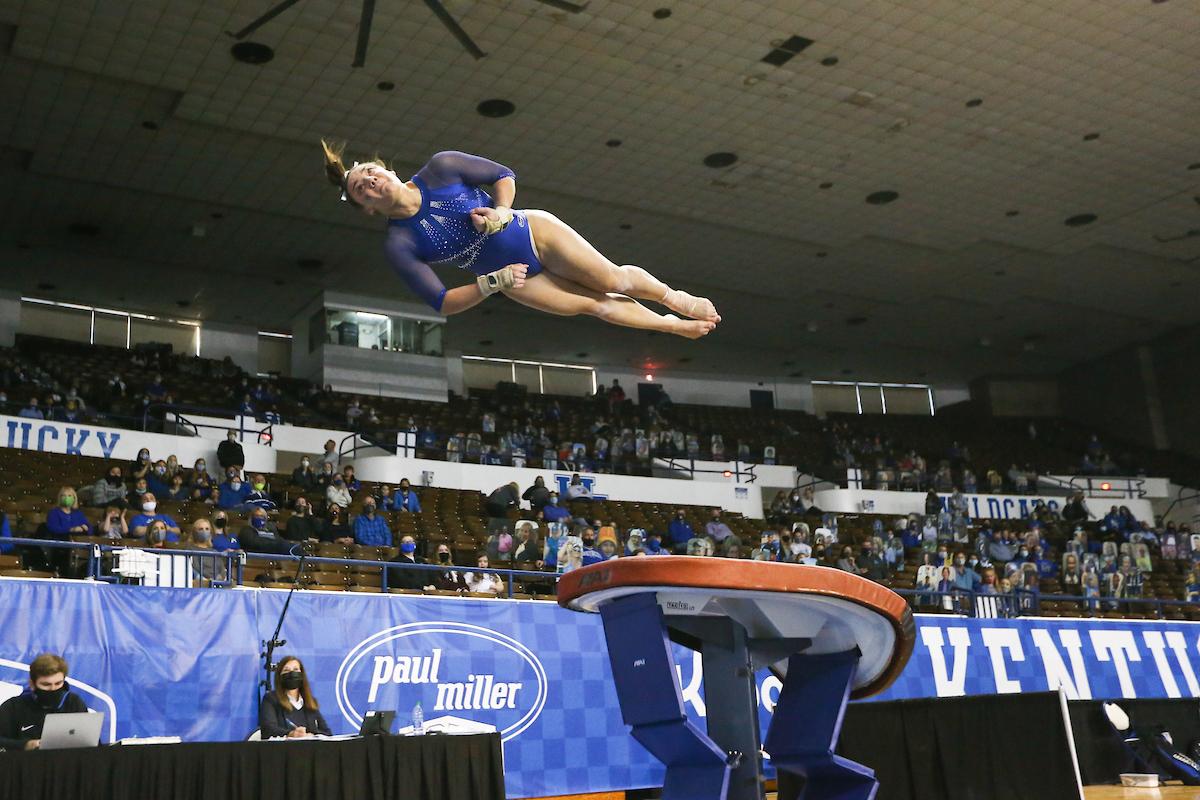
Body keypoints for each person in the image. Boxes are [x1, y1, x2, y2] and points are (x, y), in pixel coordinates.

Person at [322, 144, 719, 338]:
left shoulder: (441, 168)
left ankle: (674, 298)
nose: (371, 181)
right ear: (366, 208)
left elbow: (503, 174)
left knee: (612, 281)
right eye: (361, 188)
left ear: (388, 170)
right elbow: (441, 302)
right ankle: (671, 326)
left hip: (533, 231)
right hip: (512, 278)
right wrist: (492, 283)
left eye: (371, 172)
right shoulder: (399, 244)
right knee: (595, 306)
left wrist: (502, 212)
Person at [0, 653, 89, 751]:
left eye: (58, 683)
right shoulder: (13, 707)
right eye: (46, 684)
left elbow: (92, 742)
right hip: (26, 760)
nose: (53, 689)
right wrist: (26, 745)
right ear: (32, 684)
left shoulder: (73, 702)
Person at [258, 657, 331, 739]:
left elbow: (327, 733)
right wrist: (291, 734)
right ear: (279, 676)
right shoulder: (271, 699)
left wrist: (311, 735)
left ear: (302, 675)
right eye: (286, 670)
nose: (292, 674)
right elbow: (268, 729)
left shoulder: (310, 702)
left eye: (296, 669)